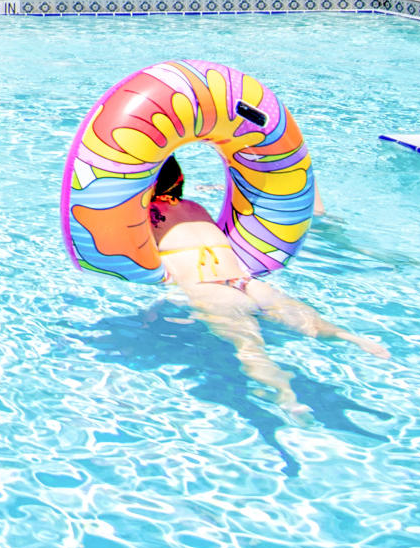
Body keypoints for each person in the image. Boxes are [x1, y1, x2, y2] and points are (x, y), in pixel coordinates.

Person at [143, 156, 385, 390]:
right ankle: (353, 339)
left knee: (250, 350)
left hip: (209, 289)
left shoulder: (143, 217)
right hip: (247, 282)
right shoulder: (195, 208)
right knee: (310, 323)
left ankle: (286, 396)